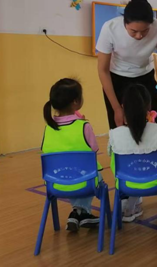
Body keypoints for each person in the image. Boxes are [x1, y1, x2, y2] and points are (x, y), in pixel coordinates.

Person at [96, 0, 157, 156]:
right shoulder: (110, 28)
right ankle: (125, 167)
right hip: (117, 80)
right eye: (133, 31)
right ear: (124, 22)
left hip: (146, 77)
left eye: (145, 31)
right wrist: (116, 107)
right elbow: (103, 70)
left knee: (156, 123)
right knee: (121, 127)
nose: (139, 36)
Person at [42, 78, 101, 231]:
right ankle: (82, 213)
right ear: (76, 102)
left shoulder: (48, 128)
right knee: (89, 174)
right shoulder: (84, 126)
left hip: (55, 183)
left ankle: (77, 212)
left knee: (73, 173)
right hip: (84, 182)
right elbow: (94, 151)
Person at [108, 84, 157, 222]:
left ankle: (129, 206)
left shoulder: (115, 135)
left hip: (125, 184)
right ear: (149, 107)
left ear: (123, 107)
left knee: (134, 171)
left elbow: (112, 157)